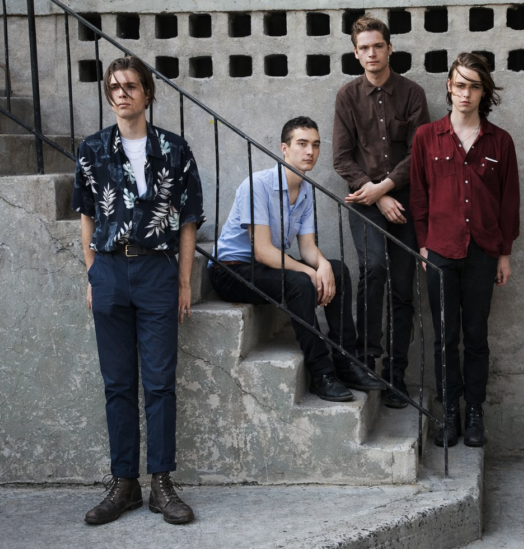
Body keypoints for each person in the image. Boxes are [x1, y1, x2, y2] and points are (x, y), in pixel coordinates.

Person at [72, 56, 204, 525]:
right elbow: (86, 216)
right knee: (118, 383)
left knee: (160, 382)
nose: (121, 93)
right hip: (109, 270)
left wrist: (184, 281)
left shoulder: (174, 149)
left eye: (130, 86)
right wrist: (93, 275)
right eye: (114, 87)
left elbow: (188, 220)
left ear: (147, 92)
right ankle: (123, 483)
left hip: (156, 271)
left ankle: (161, 484)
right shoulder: (92, 149)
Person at [210, 117, 377, 402]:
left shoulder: (305, 189)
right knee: (300, 281)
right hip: (231, 270)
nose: (310, 151)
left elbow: (308, 247)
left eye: (316, 145)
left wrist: (323, 266)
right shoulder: (257, 185)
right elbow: (262, 250)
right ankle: (321, 373)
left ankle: (346, 362)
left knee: (337, 270)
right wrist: (310, 272)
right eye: (302, 143)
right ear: (284, 148)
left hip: (265, 266)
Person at [410, 52, 520, 448]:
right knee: (444, 337)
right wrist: (424, 245)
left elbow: (509, 201)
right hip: (440, 250)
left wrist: (504, 254)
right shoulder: (427, 137)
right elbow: (419, 195)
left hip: (483, 252)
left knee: (476, 336)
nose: (465, 93)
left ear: (483, 92)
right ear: (449, 86)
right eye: (460, 84)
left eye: (474, 86)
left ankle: (474, 414)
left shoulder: (500, 141)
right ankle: (449, 413)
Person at [332, 14, 430, 409]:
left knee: (403, 288)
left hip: (405, 202)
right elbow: (341, 159)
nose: (371, 53)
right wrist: (375, 194)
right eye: (364, 48)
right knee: (373, 269)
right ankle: (365, 360)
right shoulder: (347, 97)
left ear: (390, 48)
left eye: (377, 46)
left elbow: (419, 154)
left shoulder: (412, 94)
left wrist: (386, 189)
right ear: (356, 54)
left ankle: (396, 375)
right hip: (365, 200)